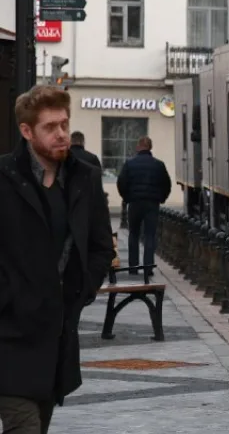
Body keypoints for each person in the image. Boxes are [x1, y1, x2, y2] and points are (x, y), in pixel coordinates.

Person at [0, 85, 115, 433]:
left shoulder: (84, 178)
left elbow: (100, 246)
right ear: (26, 131)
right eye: (50, 127)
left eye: (64, 124)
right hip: (8, 334)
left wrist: (82, 291)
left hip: (57, 334)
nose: (62, 134)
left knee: (41, 421)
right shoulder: (4, 178)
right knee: (25, 426)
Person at [117, 136, 172, 278]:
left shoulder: (129, 164)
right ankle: (148, 267)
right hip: (152, 204)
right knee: (150, 235)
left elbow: (121, 182)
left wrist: (127, 198)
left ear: (138, 147)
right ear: (150, 147)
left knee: (133, 234)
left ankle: (133, 267)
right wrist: (161, 198)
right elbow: (166, 184)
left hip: (134, 203)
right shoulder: (158, 165)